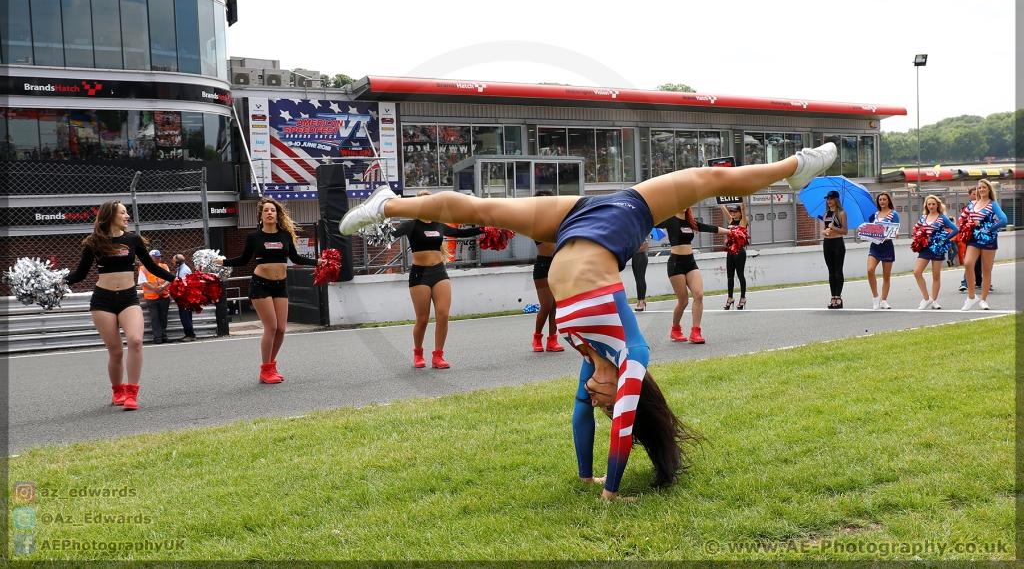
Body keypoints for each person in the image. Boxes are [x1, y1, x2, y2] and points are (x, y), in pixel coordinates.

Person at [340, 140, 837, 498]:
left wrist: (587, 477)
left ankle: (384, 203)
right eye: (608, 401)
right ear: (626, 388)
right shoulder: (630, 353)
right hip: (625, 218)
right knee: (708, 180)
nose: (595, 403)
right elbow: (622, 423)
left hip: (574, 217)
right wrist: (612, 490)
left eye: (598, 402)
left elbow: (583, 414)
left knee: (478, 208)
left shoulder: (588, 355)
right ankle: (798, 164)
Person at [65, 201, 176, 410]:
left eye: (127, 213)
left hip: (128, 298)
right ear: (110, 215)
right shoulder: (94, 242)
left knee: (135, 341)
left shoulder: (133, 239)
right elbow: (80, 274)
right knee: (115, 352)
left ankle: (132, 393)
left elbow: (150, 265)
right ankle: (118, 391)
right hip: (103, 300)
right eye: (123, 213)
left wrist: (176, 279)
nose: (127, 216)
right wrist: (59, 282)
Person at [215, 197, 323, 383]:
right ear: (261, 215)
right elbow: (243, 260)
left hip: (280, 285)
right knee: (271, 327)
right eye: (266, 210)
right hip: (260, 285)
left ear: (278, 214)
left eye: (272, 210)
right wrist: (223, 262)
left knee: (281, 329)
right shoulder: (254, 237)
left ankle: (270, 367)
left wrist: (318, 262)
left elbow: (296, 258)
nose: (269, 213)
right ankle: (265, 370)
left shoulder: (285, 236)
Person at [392, 190, 487, 368]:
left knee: (443, 315)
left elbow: (460, 233)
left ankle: (438, 356)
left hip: (439, 273)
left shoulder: (439, 225)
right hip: (419, 274)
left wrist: (485, 228)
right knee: (423, 319)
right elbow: (392, 234)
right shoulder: (411, 225)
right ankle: (418, 353)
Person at [657, 208, 731, 343]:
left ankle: (695, 332)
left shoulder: (690, 222)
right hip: (675, 264)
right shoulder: (669, 219)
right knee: (683, 301)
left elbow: (710, 228)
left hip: (690, 262)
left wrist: (731, 232)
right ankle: (675, 329)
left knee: (699, 294)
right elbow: (650, 222)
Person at [961, 179, 1007, 311]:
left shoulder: (993, 204)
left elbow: (1004, 219)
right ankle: (971, 297)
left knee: (986, 270)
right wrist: (966, 224)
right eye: (979, 188)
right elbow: (963, 218)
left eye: (984, 187)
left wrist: (988, 229)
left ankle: (984, 300)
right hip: (974, 238)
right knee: (968, 263)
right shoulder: (972, 204)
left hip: (988, 239)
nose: (981, 190)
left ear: (989, 190)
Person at [530, 189, 565, 353]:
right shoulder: (534, 221)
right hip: (543, 265)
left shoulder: (559, 220)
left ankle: (552, 340)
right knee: (546, 305)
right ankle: (537, 337)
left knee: (556, 305)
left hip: (558, 264)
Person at [912, 195, 957, 310]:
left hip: (937, 248)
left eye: (933, 204)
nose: (931, 206)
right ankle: (927, 299)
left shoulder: (942, 218)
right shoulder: (923, 218)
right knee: (917, 272)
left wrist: (944, 239)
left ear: (937, 205)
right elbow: (915, 229)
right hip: (925, 248)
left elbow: (956, 229)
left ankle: (934, 300)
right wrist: (918, 237)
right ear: (926, 206)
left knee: (936, 276)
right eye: (929, 204)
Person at [865, 192, 899, 310]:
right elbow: (870, 228)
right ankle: (875, 297)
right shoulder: (875, 214)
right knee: (870, 270)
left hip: (887, 246)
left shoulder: (893, 214)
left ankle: (884, 300)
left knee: (886, 276)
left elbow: (895, 231)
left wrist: (895, 234)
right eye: (880, 200)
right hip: (875, 246)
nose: (882, 201)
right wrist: (863, 230)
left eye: (884, 199)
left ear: (888, 201)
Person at [820, 190, 848, 309]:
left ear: (836, 200)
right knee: (831, 271)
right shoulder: (826, 214)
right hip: (828, 243)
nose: (829, 201)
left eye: (831, 198)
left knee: (838, 270)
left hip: (838, 242)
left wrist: (834, 228)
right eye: (827, 199)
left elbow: (845, 231)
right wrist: (825, 231)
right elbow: (823, 229)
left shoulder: (841, 213)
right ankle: (832, 297)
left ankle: (838, 297)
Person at [138, 250, 171, 344]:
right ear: (151, 257)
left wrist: (162, 287)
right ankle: (157, 337)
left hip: (164, 295)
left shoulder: (164, 266)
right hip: (151, 297)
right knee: (155, 318)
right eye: (156, 257)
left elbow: (170, 278)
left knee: (163, 317)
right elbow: (143, 282)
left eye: (160, 257)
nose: (159, 258)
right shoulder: (143, 268)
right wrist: (155, 289)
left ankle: (164, 336)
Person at [721, 203, 750, 310]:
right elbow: (723, 209)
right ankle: (730, 298)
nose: (732, 214)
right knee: (730, 276)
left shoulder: (743, 222)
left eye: (735, 212)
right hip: (730, 252)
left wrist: (742, 198)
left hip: (739, 251)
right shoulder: (730, 221)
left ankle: (743, 298)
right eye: (731, 212)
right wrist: (718, 197)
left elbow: (743, 207)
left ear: (740, 214)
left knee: (740, 274)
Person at [957, 187, 986, 293]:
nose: (976, 196)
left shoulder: (986, 205)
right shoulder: (967, 207)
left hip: (982, 236)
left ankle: (980, 281)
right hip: (970, 237)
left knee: (979, 261)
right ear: (969, 195)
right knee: (970, 261)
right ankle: (965, 283)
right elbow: (961, 220)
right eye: (974, 194)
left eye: (977, 194)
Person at [173, 253, 198, 342]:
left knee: (185, 316)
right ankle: (189, 334)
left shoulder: (184, 270)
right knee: (186, 316)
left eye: (174, 261)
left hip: (185, 298)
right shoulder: (181, 269)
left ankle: (190, 335)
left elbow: (184, 285)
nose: (173, 262)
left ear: (178, 262)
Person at [630, 240, 649, 312]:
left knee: (641, 278)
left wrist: (633, 249)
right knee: (637, 279)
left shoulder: (644, 234)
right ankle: (639, 300)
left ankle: (642, 300)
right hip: (634, 257)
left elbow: (643, 247)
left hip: (642, 256)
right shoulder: (634, 235)